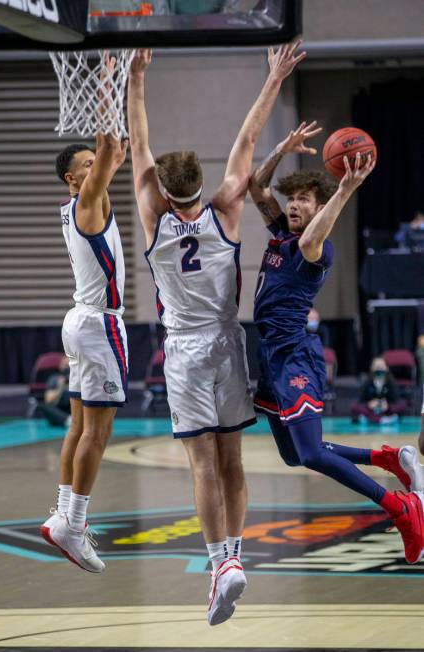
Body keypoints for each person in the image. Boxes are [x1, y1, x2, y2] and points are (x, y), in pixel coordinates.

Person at [128, 43, 305, 625]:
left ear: (162, 190)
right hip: (229, 342)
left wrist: (135, 79)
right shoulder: (225, 208)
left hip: (183, 350)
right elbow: (248, 140)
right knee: (232, 459)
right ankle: (235, 556)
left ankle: (216, 567)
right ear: (199, 184)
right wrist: (273, 77)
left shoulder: (153, 217)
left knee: (201, 464)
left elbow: (140, 146)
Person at [249, 119, 424, 565]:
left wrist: (346, 188)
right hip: (268, 359)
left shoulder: (315, 250)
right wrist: (283, 148)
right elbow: (255, 184)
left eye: (303, 200)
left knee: (310, 450)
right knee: (294, 455)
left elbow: (312, 237)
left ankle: (400, 507)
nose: (292, 206)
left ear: (321, 206)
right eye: (291, 199)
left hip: (295, 357)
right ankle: (388, 457)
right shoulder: (281, 236)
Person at [40, 55, 128, 573]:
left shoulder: (86, 203)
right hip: (98, 323)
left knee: (77, 425)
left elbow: (113, 153)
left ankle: (63, 513)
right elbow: (109, 147)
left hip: (81, 321)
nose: (99, 166)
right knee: (97, 430)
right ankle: (74, 524)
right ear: (75, 179)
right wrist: (107, 81)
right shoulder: (86, 203)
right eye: (89, 165)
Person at [351, 356, 407, 425]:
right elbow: (358, 403)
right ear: (372, 369)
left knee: (402, 406)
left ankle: (375, 420)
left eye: (382, 367)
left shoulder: (391, 382)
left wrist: (388, 406)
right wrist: (368, 405)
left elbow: (397, 401)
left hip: (386, 411)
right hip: (371, 411)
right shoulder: (367, 382)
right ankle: (379, 420)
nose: (379, 370)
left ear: (387, 368)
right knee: (355, 407)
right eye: (377, 367)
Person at [40, 355, 71, 427]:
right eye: (64, 365)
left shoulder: (77, 379)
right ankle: (68, 420)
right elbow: (48, 400)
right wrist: (61, 388)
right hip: (60, 408)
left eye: (68, 365)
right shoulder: (54, 378)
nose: (66, 368)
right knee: (43, 406)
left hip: (74, 406)